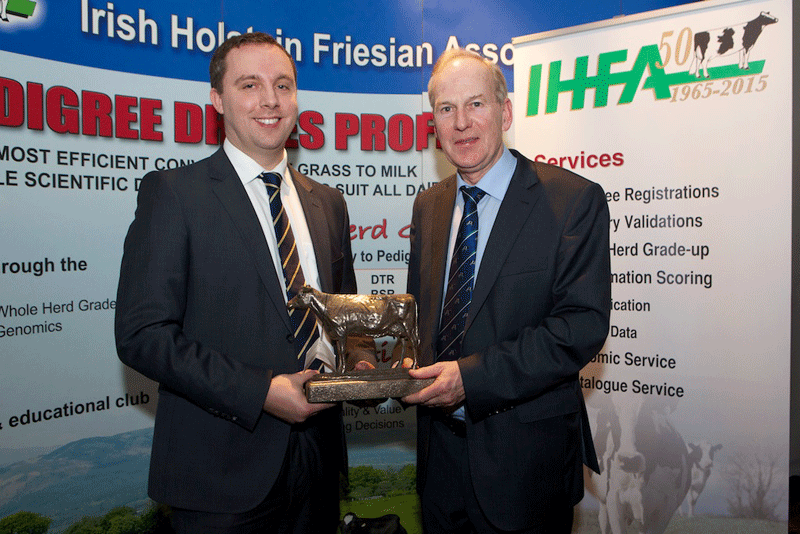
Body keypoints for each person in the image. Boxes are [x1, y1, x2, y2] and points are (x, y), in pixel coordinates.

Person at [115, 32, 372, 534]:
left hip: (318, 466)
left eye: (283, 85)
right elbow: (142, 335)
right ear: (218, 99)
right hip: (220, 477)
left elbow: (345, 323)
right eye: (250, 85)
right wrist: (260, 392)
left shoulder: (328, 203)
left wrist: (364, 366)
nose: (270, 101)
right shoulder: (174, 194)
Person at [402, 48, 611, 533]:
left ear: (506, 111)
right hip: (439, 461)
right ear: (433, 121)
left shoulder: (572, 201)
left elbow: (579, 328)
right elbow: (421, 317)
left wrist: (470, 380)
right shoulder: (429, 206)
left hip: (525, 467)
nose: (461, 123)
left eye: (476, 104)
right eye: (446, 109)